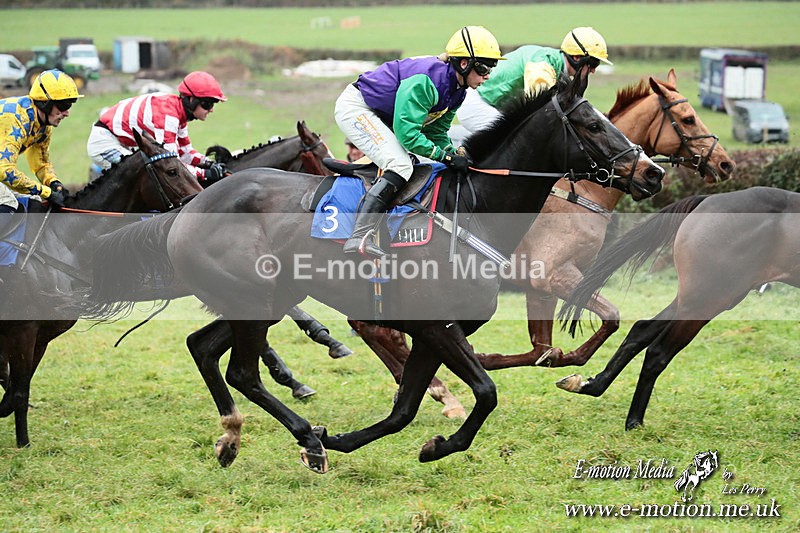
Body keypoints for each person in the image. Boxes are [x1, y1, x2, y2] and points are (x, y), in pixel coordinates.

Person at [334, 25, 504, 257]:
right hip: (357, 108)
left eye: (491, 69)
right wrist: (443, 155)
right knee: (400, 164)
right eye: (483, 68)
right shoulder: (426, 81)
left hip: (383, 116)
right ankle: (359, 236)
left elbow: (437, 133)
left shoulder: (459, 91)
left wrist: (452, 153)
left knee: (424, 163)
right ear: (464, 63)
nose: (487, 76)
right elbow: (408, 135)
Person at [454, 27, 612, 140]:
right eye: (593, 63)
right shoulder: (543, 63)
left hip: (493, 106)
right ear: (577, 57)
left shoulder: (555, 66)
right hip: (478, 103)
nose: (593, 70)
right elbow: (542, 108)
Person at [86, 71, 228, 186]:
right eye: (208, 105)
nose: (211, 110)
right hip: (104, 142)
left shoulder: (178, 114)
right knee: (151, 173)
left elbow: (186, 153)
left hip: (121, 142)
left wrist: (209, 164)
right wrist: (204, 174)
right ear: (191, 100)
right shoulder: (168, 115)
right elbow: (172, 165)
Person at [0, 69, 80, 225]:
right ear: (45, 103)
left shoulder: (42, 126)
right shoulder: (16, 118)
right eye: (63, 105)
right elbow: (5, 171)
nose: (67, 113)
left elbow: (40, 163)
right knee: (8, 205)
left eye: (69, 105)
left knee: (34, 201)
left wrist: (53, 183)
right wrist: (45, 192)